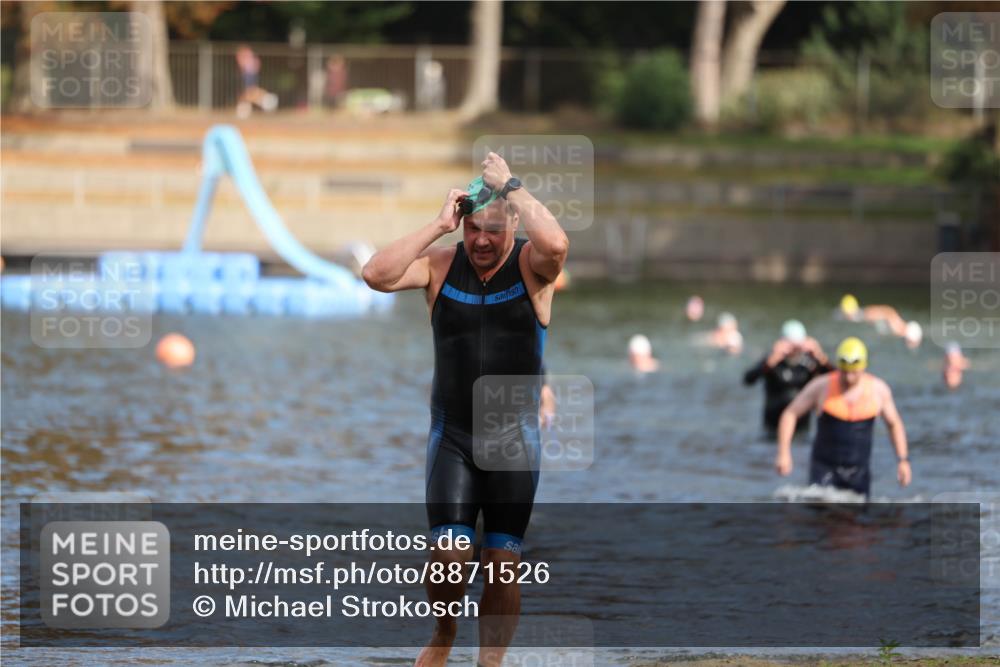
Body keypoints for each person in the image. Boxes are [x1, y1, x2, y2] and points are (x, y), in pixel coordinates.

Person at [362, 151, 568, 667]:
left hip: (513, 442)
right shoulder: (438, 266)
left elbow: (558, 242)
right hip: (452, 437)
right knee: (449, 558)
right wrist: (437, 225)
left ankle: (489, 663)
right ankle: (445, 630)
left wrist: (511, 186)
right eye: (472, 228)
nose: (480, 240)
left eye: (493, 230)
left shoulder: (533, 269)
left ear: (513, 224)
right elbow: (375, 275)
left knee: (502, 563)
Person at [775, 337, 912, 498]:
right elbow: (790, 414)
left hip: (858, 472)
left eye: (854, 373)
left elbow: (894, 424)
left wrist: (903, 460)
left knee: (856, 521)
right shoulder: (821, 386)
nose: (848, 378)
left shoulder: (879, 391)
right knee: (821, 517)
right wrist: (783, 453)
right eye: (844, 372)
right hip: (824, 469)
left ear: (864, 367)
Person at [743, 320, 832, 435]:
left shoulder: (810, 363)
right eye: (790, 345)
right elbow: (748, 380)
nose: (793, 350)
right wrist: (770, 362)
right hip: (773, 427)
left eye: (797, 346)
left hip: (801, 427)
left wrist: (820, 356)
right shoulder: (773, 362)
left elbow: (836, 378)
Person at [838, 294, 922, 349]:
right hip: (864, 316)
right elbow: (887, 311)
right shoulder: (896, 324)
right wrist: (870, 315)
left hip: (865, 319)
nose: (911, 344)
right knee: (847, 317)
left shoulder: (897, 331)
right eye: (913, 342)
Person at [235, 45, 277, 118]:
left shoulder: (245, 54)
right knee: (249, 92)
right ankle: (244, 110)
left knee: (250, 91)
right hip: (250, 74)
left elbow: (242, 63)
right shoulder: (250, 55)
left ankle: (267, 100)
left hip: (249, 74)